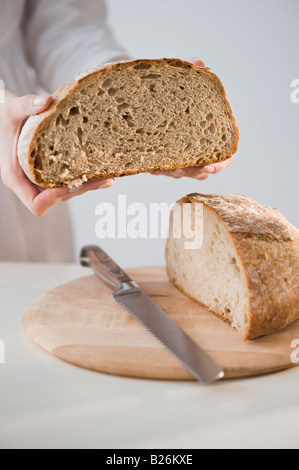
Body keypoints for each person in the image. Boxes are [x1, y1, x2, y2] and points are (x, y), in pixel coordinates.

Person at [0, 0, 234, 263]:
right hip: (12, 117)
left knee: (36, 294)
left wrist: (119, 80)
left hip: (16, 123)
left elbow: (67, 26)